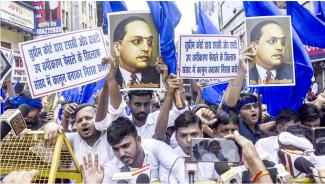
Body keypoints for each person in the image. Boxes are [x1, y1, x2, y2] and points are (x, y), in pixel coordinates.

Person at [103, 117, 185, 183]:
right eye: (116, 149)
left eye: (125, 146)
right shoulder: (111, 169)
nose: (121, 154)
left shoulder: (155, 146)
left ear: (138, 140)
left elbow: (179, 168)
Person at [112, 16, 160, 89]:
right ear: (117, 48)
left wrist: (164, 82)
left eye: (149, 42)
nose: (146, 48)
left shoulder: (159, 77)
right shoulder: (109, 78)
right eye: (137, 41)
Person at [248, 20, 293, 85]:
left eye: (283, 42)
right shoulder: (245, 76)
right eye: (272, 41)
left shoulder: (293, 73)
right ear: (254, 47)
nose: (280, 47)